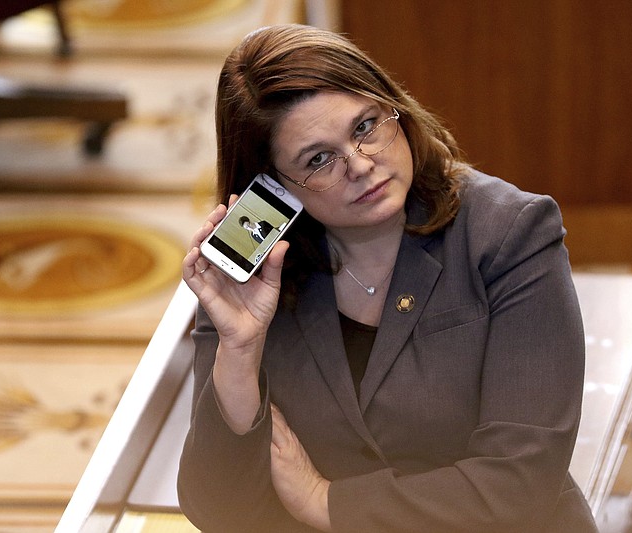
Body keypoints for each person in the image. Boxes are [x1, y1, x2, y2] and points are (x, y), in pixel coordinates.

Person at [177, 23, 598, 533]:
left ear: (392, 107)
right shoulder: (252, 275)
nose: (360, 164)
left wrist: (326, 503)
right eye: (319, 160)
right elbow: (219, 511)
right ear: (272, 189)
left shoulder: (509, 233)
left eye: (364, 127)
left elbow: (517, 487)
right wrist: (239, 353)